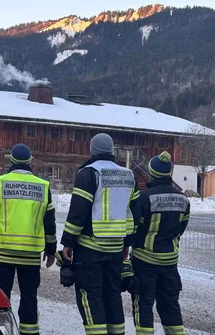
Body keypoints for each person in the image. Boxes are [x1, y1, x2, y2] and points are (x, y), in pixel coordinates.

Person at [60, 133, 140, 335]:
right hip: (115, 249)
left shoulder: (88, 173)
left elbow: (78, 212)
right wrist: (126, 244)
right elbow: (134, 215)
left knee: (89, 294)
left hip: (90, 248)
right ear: (112, 151)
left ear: (92, 151)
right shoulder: (128, 175)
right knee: (112, 294)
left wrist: (68, 243)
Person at [0, 143, 56, 335]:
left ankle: (2, 332)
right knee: (29, 297)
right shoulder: (43, 186)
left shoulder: (1, 182)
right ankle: (30, 332)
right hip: (30, 255)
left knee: (1, 297)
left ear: (11, 161)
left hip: (4, 253)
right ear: (30, 162)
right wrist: (50, 250)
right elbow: (50, 223)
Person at [130, 151, 190, 335]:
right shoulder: (184, 199)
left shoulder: (143, 198)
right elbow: (181, 228)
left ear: (151, 172)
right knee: (170, 305)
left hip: (144, 261)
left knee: (143, 303)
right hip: (170, 263)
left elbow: (133, 229)